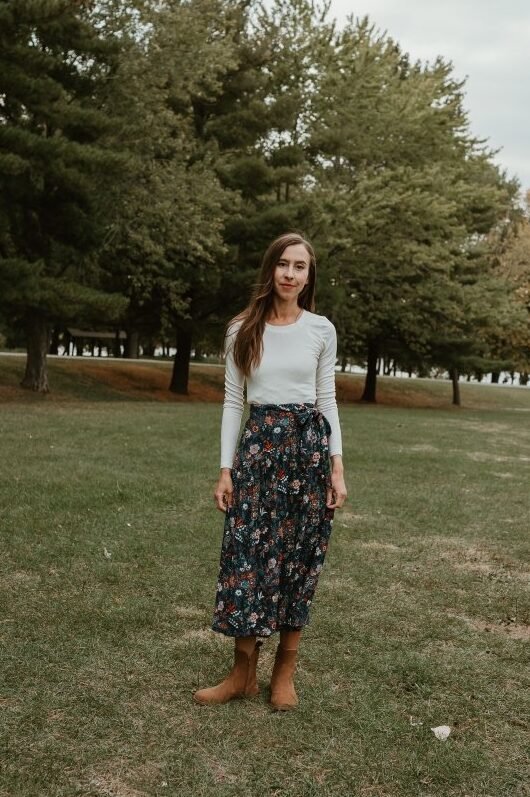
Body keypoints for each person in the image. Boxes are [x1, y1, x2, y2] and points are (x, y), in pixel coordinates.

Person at [193, 232, 347, 711]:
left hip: (308, 452)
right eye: (283, 264)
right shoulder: (242, 329)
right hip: (258, 452)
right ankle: (242, 673)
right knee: (247, 559)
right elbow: (233, 401)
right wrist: (225, 469)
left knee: (298, 559)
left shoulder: (322, 329)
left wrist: (336, 467)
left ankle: (284, 671)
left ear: (309, 275)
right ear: (270, 269)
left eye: (300, 266)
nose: (290, 274)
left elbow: (328, 400)